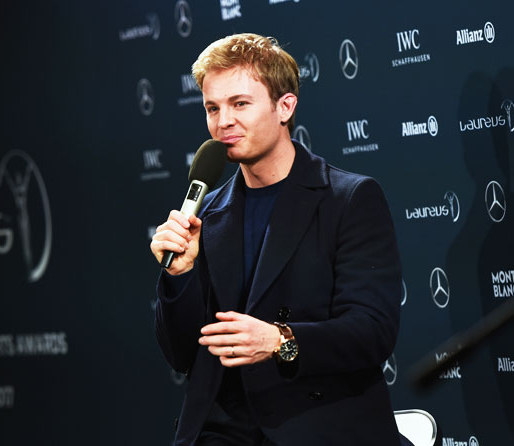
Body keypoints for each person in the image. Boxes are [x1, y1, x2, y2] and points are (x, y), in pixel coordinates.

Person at [150, 33, 406, 446]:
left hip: (319, 426)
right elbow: (183, 356)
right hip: (223, 431)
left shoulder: (349, 199)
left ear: (285, 106)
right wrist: (179, 277)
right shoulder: (208, 213)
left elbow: (372, 332)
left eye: (240, 104)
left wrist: (280, 341)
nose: (223, 122)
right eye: (212, 108)